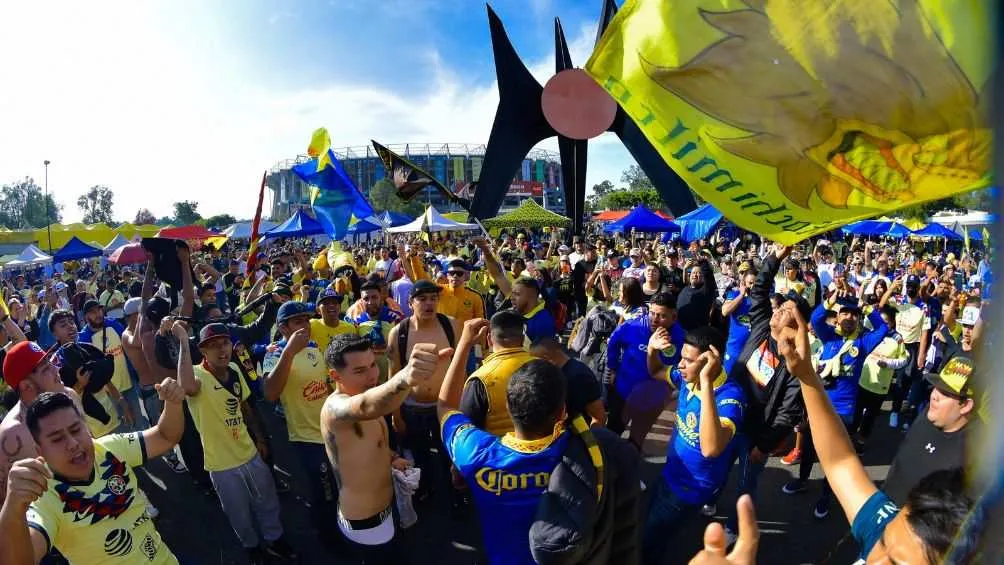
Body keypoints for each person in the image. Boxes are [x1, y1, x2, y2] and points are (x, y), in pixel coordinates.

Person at [773, 307, 983, 563]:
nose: (875, 559)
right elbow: (841, 463)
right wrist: (805, 373)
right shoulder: (896, 527)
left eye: (895, 562)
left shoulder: (975, 456)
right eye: (883, 544)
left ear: (967, 405)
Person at [0, 374, 188, 565]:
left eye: (75, 430)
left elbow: (165, 436)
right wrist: (13, 508)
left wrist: (173, 403)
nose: (72, 444)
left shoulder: (109, 449)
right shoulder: (45, 497)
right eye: (57, 439)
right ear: (39, 450)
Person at [438, 319, 571, 564]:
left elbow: (445, 407)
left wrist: (464, 345)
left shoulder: (477, 454)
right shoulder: (581, 449)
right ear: (562, 411)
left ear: (509, 408)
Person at [178, 323, 297, 564]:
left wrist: (260, 437)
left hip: (249, 453)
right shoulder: (197, 375)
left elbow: (244, 405)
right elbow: (188, 387)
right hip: (221, 465)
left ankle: (274, 540)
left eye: (224, 343)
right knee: (239, 514)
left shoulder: (233, 367)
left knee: (268, 501)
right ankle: (252, 547)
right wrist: (182, 341)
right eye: (212, 346)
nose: (221, 350)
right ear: (203, 352)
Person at [320, 334, 446, 563]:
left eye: (372, 365)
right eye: (359, 371)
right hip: (365, 524)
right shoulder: (335, 408)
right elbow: (367, 405)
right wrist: (407, 376)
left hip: (388, 510)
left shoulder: (364, 397)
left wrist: (392, 458)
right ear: (335, 376)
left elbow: (369, 443)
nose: (372, 376)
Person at [643, 327, 745, 564]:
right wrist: (651, 349)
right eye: (681, 357)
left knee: (651, 540)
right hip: (669, 474)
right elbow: (656, 370)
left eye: (688, 360)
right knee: (652, 528)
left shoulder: (730, 398)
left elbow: (711, 449)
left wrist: (707, 382)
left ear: (711, 360)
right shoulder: (687, 377)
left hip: (688, 491)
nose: (680, 365)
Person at [261, 301, 340, 551]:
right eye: (298, 322)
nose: (305, 326)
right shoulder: (275, 351)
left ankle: (338, 527)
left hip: (331, 430)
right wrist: (289, 352)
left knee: (338, 485)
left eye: (306, 320)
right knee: (324, 491)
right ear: (283, 328)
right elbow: (270, 393)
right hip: (306, 437)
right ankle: (329, 538)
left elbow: (326, 385)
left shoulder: (315, 346)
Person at [385, 280, 458, 502]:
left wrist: (461, 406)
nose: (429, 303)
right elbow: (394, 376)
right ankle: (424, 489)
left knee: (450, 455)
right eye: (422, 298)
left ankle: (455, 493)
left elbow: (462, 366)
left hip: (444, 407)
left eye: (433, 298)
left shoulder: (452, 325)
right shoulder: (400, 332)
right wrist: (395, 415)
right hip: (412, 407)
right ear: (410, 302)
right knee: (419, 454)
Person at [882, 340, 980, 506]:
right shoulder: (930, 414)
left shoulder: (972, 454)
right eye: (936, 387)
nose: (934, 396)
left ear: (966, 405)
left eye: (945, 393)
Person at [606, 292, 683, 450]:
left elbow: (667, 370)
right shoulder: (634, 326)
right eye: (652, 313)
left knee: (636, 440)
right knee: (612, 434)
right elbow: (613, 341)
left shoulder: (679, 339)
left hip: (651, 399)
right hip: (624, 391)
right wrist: (613, 367)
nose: (654, 319)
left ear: (673, 317)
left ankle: (629, 467)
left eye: (662, 316)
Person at [459, 310, 538, 435]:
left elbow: (467, 432)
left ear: (489, 339)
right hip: (545, 450)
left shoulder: (481, 379)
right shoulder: (545, 367)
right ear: (522, 340)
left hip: (499, 452)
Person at [530, 336, 606, 426]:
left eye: (536, 361)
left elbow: (599, 416)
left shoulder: (580, 376)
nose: (534, 366)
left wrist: (589, 439)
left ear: (547, 358)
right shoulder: (553, 373)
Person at [310, 287, 357, 354]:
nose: (331, 305)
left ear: (340, 308)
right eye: (326, 303)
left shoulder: (350, 328)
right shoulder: (311, 325)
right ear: (318, 310)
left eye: (335, 302)